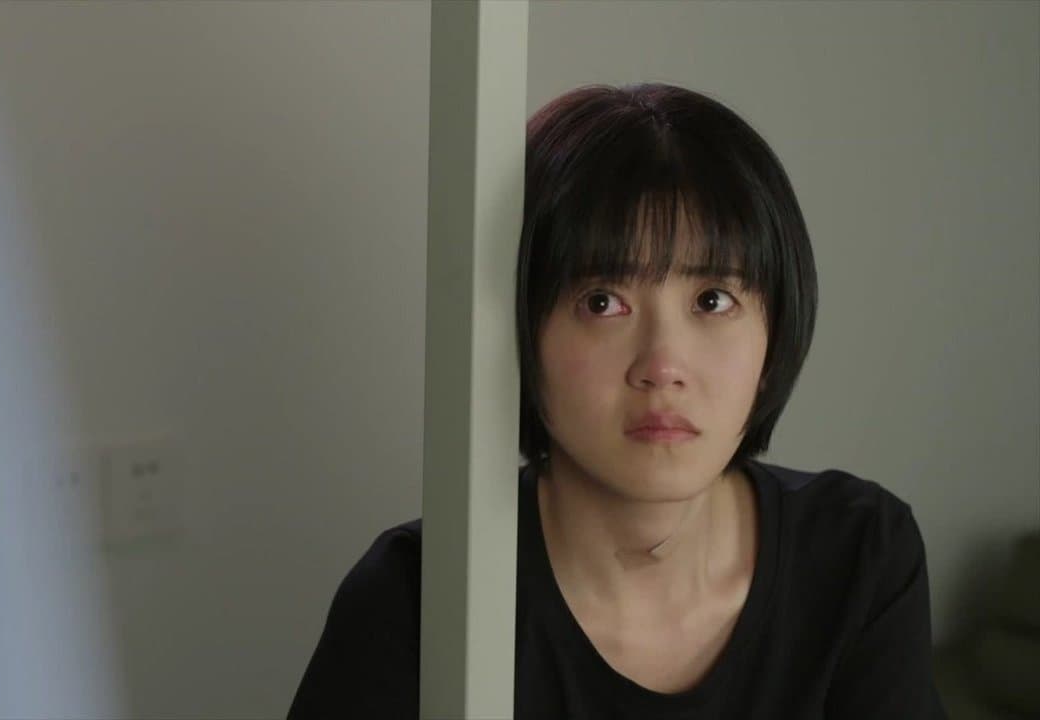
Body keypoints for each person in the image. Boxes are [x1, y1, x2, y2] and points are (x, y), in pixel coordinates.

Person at [288, 83, 946, 719]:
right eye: (602, 302)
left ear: (776, 331)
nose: (662, 367)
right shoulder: (417, 597)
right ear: (520, 329)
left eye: (712, 300)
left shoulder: (858, 556)